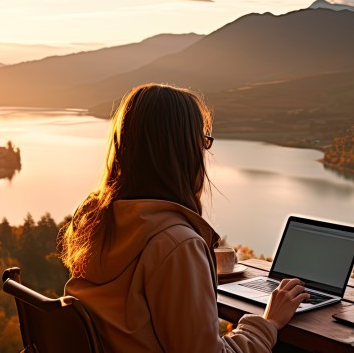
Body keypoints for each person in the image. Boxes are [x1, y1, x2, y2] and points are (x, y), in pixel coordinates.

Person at [60, 83, 309, 352]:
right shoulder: (177, 244)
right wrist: (268, 323)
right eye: (203, 141)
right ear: (185, 150)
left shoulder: (95, 223)